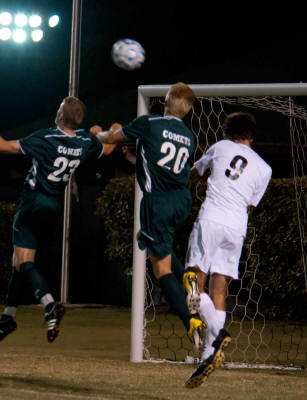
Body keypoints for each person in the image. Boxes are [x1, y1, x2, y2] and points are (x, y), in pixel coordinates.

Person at [0, 96, 114, 344]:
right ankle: (7, 318)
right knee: (18, 261)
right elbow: (109, 148)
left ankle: (49, 305)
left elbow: (0, 146)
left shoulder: (46, 137)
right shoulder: (83, 141)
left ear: (59, 116)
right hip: (53, 206)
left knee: (25, 261)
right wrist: (104, 132)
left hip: (32, 202)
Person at [91, 82, 206, 348]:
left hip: (158, 203)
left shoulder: (149, 122)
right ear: (188, 110)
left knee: (160, 268)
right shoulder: (189, 136)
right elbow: (164, 166)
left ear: (165, 101)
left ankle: (191, 322)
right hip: (180, 201)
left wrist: (97, 132)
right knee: (153, 241)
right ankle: (187, 277)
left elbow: (111, 138)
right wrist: (135, 158)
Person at [183, 112, 271, 388]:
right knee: (220, 291)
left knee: (192, 281)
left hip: (211, 219)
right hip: (236, 228)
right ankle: (208, 356)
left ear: (227, 132)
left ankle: (218, 333)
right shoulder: (265, 168)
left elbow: (194, 173)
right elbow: (249, 202)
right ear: (251, 135)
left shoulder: (220, 147)